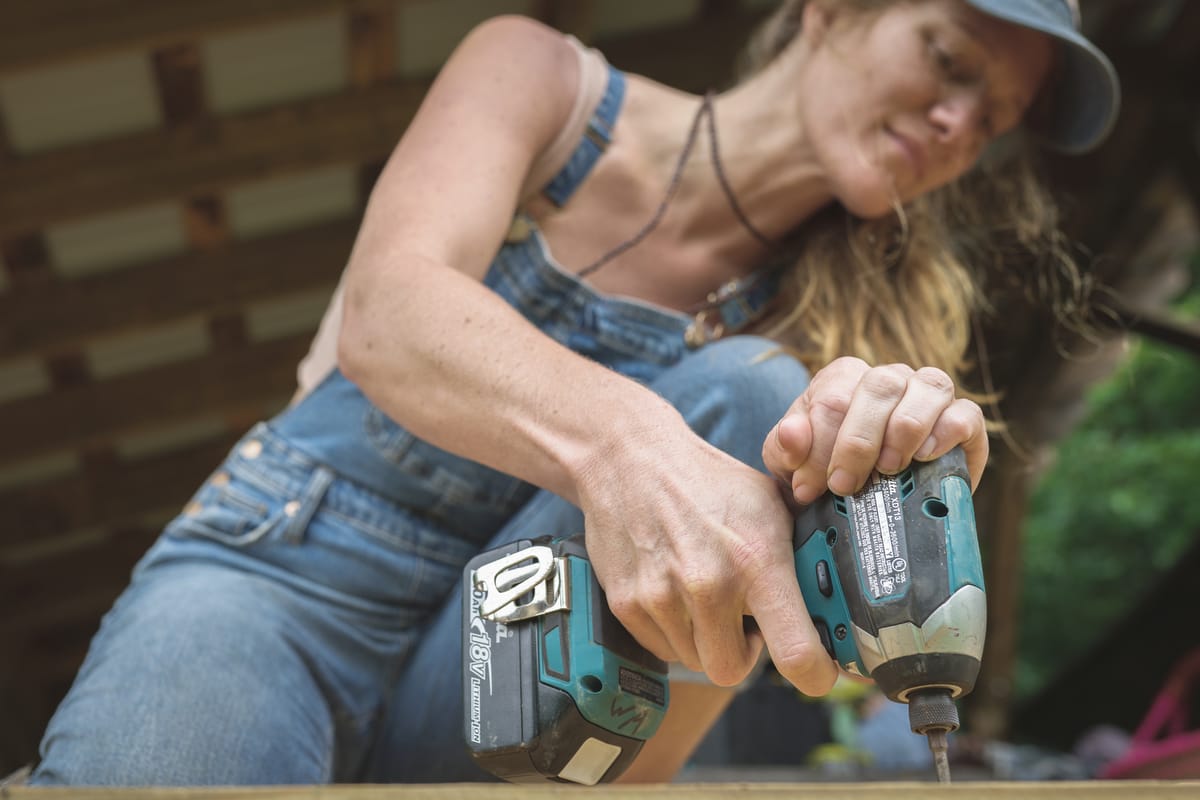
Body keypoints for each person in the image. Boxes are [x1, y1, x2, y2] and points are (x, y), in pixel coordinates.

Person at [30, 0, 1119, 785]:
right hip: (291, 566)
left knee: (754, 393)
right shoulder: (548, 83)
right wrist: (629, 446)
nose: (960, 124)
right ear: (830, 9)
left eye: (993, 119)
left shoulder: (835, 340)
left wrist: (881, 455)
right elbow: (387, 314)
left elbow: (654, 751)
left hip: (526, 677)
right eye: (950, 59)